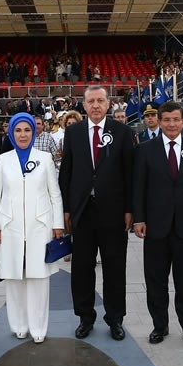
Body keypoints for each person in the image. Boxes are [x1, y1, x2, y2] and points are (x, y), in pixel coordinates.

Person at [59, 85, 135, 341]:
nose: (95, 105)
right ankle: (85, 317)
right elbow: (66, 172)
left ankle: (115, 318)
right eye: (90, 101)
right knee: (82, 267)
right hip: (82, 211)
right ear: (84, 104)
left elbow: (129, 173)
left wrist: (129, 209)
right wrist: (67, 209)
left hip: (113, 212)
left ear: (108, 104)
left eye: (100, 101)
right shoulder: (73, 132)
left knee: (115, 267)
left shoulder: (122, 132)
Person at [133, 102, 183, 347]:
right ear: (159, 120)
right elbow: (139, 188)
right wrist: (139, 218)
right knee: (156, 280)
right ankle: (160, 326)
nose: (171, 124)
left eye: (175, 119)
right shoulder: (145, 150)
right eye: (166, 119)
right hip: (155, 227)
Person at [0, 113, 64, 343]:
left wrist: (57, 224)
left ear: (34, 132)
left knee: (39, 278)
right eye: (18, 130)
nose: (23, 134)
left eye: (27, 130)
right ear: (11, 133)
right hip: (10, 227)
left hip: (39, 225)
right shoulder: (3, 160)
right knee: (14, 278)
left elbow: (54, 194)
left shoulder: (45, 158)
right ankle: (19, 325)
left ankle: (38, 327)